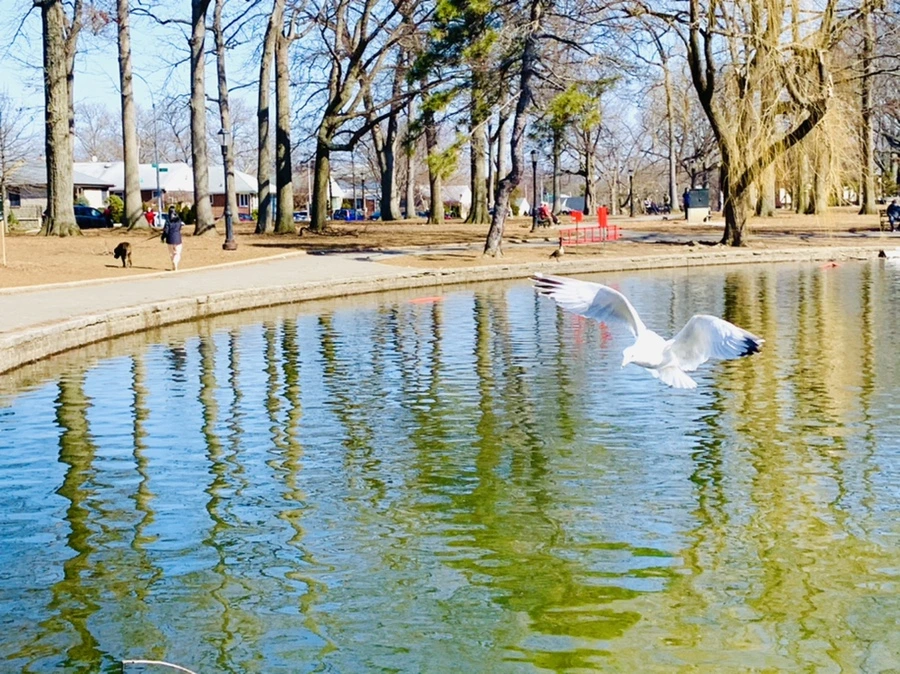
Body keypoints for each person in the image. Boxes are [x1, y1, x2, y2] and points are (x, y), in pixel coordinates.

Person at [162, 205, 184, 271]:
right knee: (177, 253)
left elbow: (166, 231)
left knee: (171, 254)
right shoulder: (179, 220)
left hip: (170, 239)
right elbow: (180, 228)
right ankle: (175, 263)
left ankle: (173, 265)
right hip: (177, 239)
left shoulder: (168, 220)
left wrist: (163, 237)